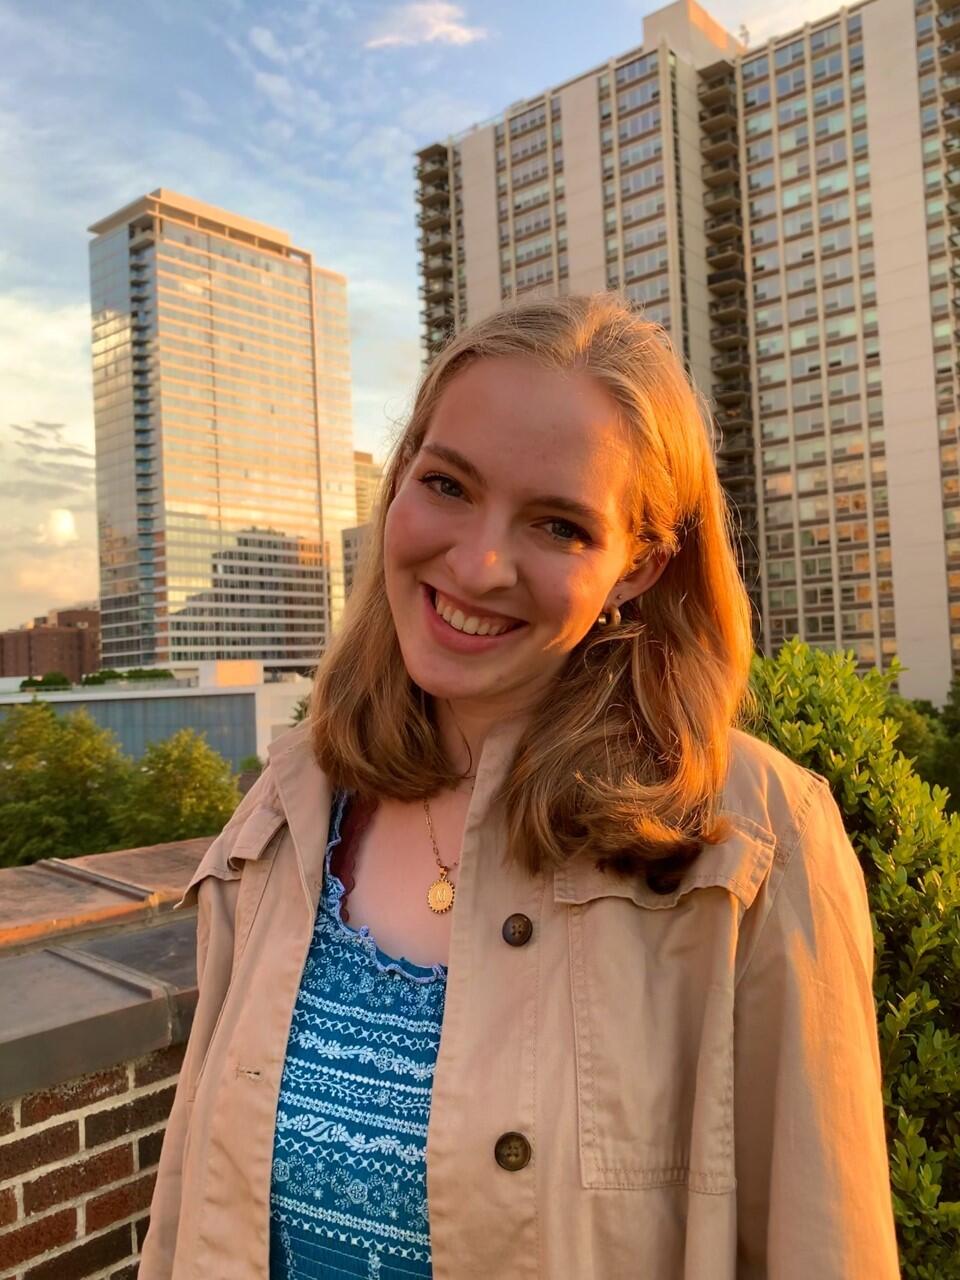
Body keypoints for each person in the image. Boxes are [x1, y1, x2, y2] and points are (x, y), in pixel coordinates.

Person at [139, 293, 900, 1279]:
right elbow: (188, 1209)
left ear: (639, 565)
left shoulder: (751, 845)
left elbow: (824, 1246)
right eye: (449, 484)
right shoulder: (292, 805)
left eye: (559, 525)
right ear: (402, 475)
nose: (480, 562)